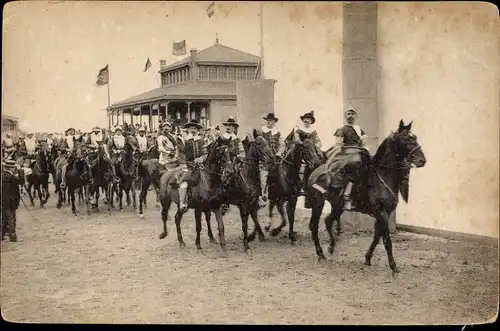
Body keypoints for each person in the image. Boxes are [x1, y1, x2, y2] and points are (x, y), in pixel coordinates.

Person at [326, 108, 370, 211]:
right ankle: (346, 196)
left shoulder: (360, 130)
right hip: (346, 153)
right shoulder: (342, 130)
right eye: (348, 114)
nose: (350, 116)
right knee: (353, 166)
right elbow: (338, 145)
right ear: (345, 116)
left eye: (352, 114)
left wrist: (366, 149)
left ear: (356, 116)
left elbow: (364, 143)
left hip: (359, 152)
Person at [286, 111, 323, 199]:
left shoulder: (313, 131)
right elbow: (296, 139)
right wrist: (302, 144)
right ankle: (299, 186)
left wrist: (316, 146)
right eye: (305, 119)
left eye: (308, 120)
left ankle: (316, 186)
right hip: (299, 149)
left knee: (318, 162)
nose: (306, 121)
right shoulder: (298, 129)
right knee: (298, 164)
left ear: (311, 121)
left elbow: (318, 141)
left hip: (310, 150)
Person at [177, 119, 207, 211]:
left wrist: (201, 158)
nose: (193, 130)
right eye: (191, 128)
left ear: (198, 130)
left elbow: (206, 153)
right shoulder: (184, 140)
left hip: (200, 165)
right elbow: (181, 154)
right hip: (187, 165)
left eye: (195, 128)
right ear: (188, 129)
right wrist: (185, 164)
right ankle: (182, 202)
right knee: (184, 181)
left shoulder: (202, 141)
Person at [256, 113, 285, 207]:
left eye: (271, 121)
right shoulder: (261, 132)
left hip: (276, 158)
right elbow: (258, 144)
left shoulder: (278, 132)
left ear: (274, 122)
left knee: (280, 175)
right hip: (264, 158)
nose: (269, 122)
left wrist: (279, 153)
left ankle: (280, 194)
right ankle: (263, 196)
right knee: (263, 176)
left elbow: (282, 145)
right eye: (267, 120)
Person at [1, 159, 22, 242]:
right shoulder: (13, 177)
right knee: (11, 219)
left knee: (4, 218)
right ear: (10, 168)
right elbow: (16, 190)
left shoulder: (2, 176)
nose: (14, 169)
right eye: (13, 168)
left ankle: (1, 235)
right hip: (11, 201)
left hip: (3, 200)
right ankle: (13, 236)